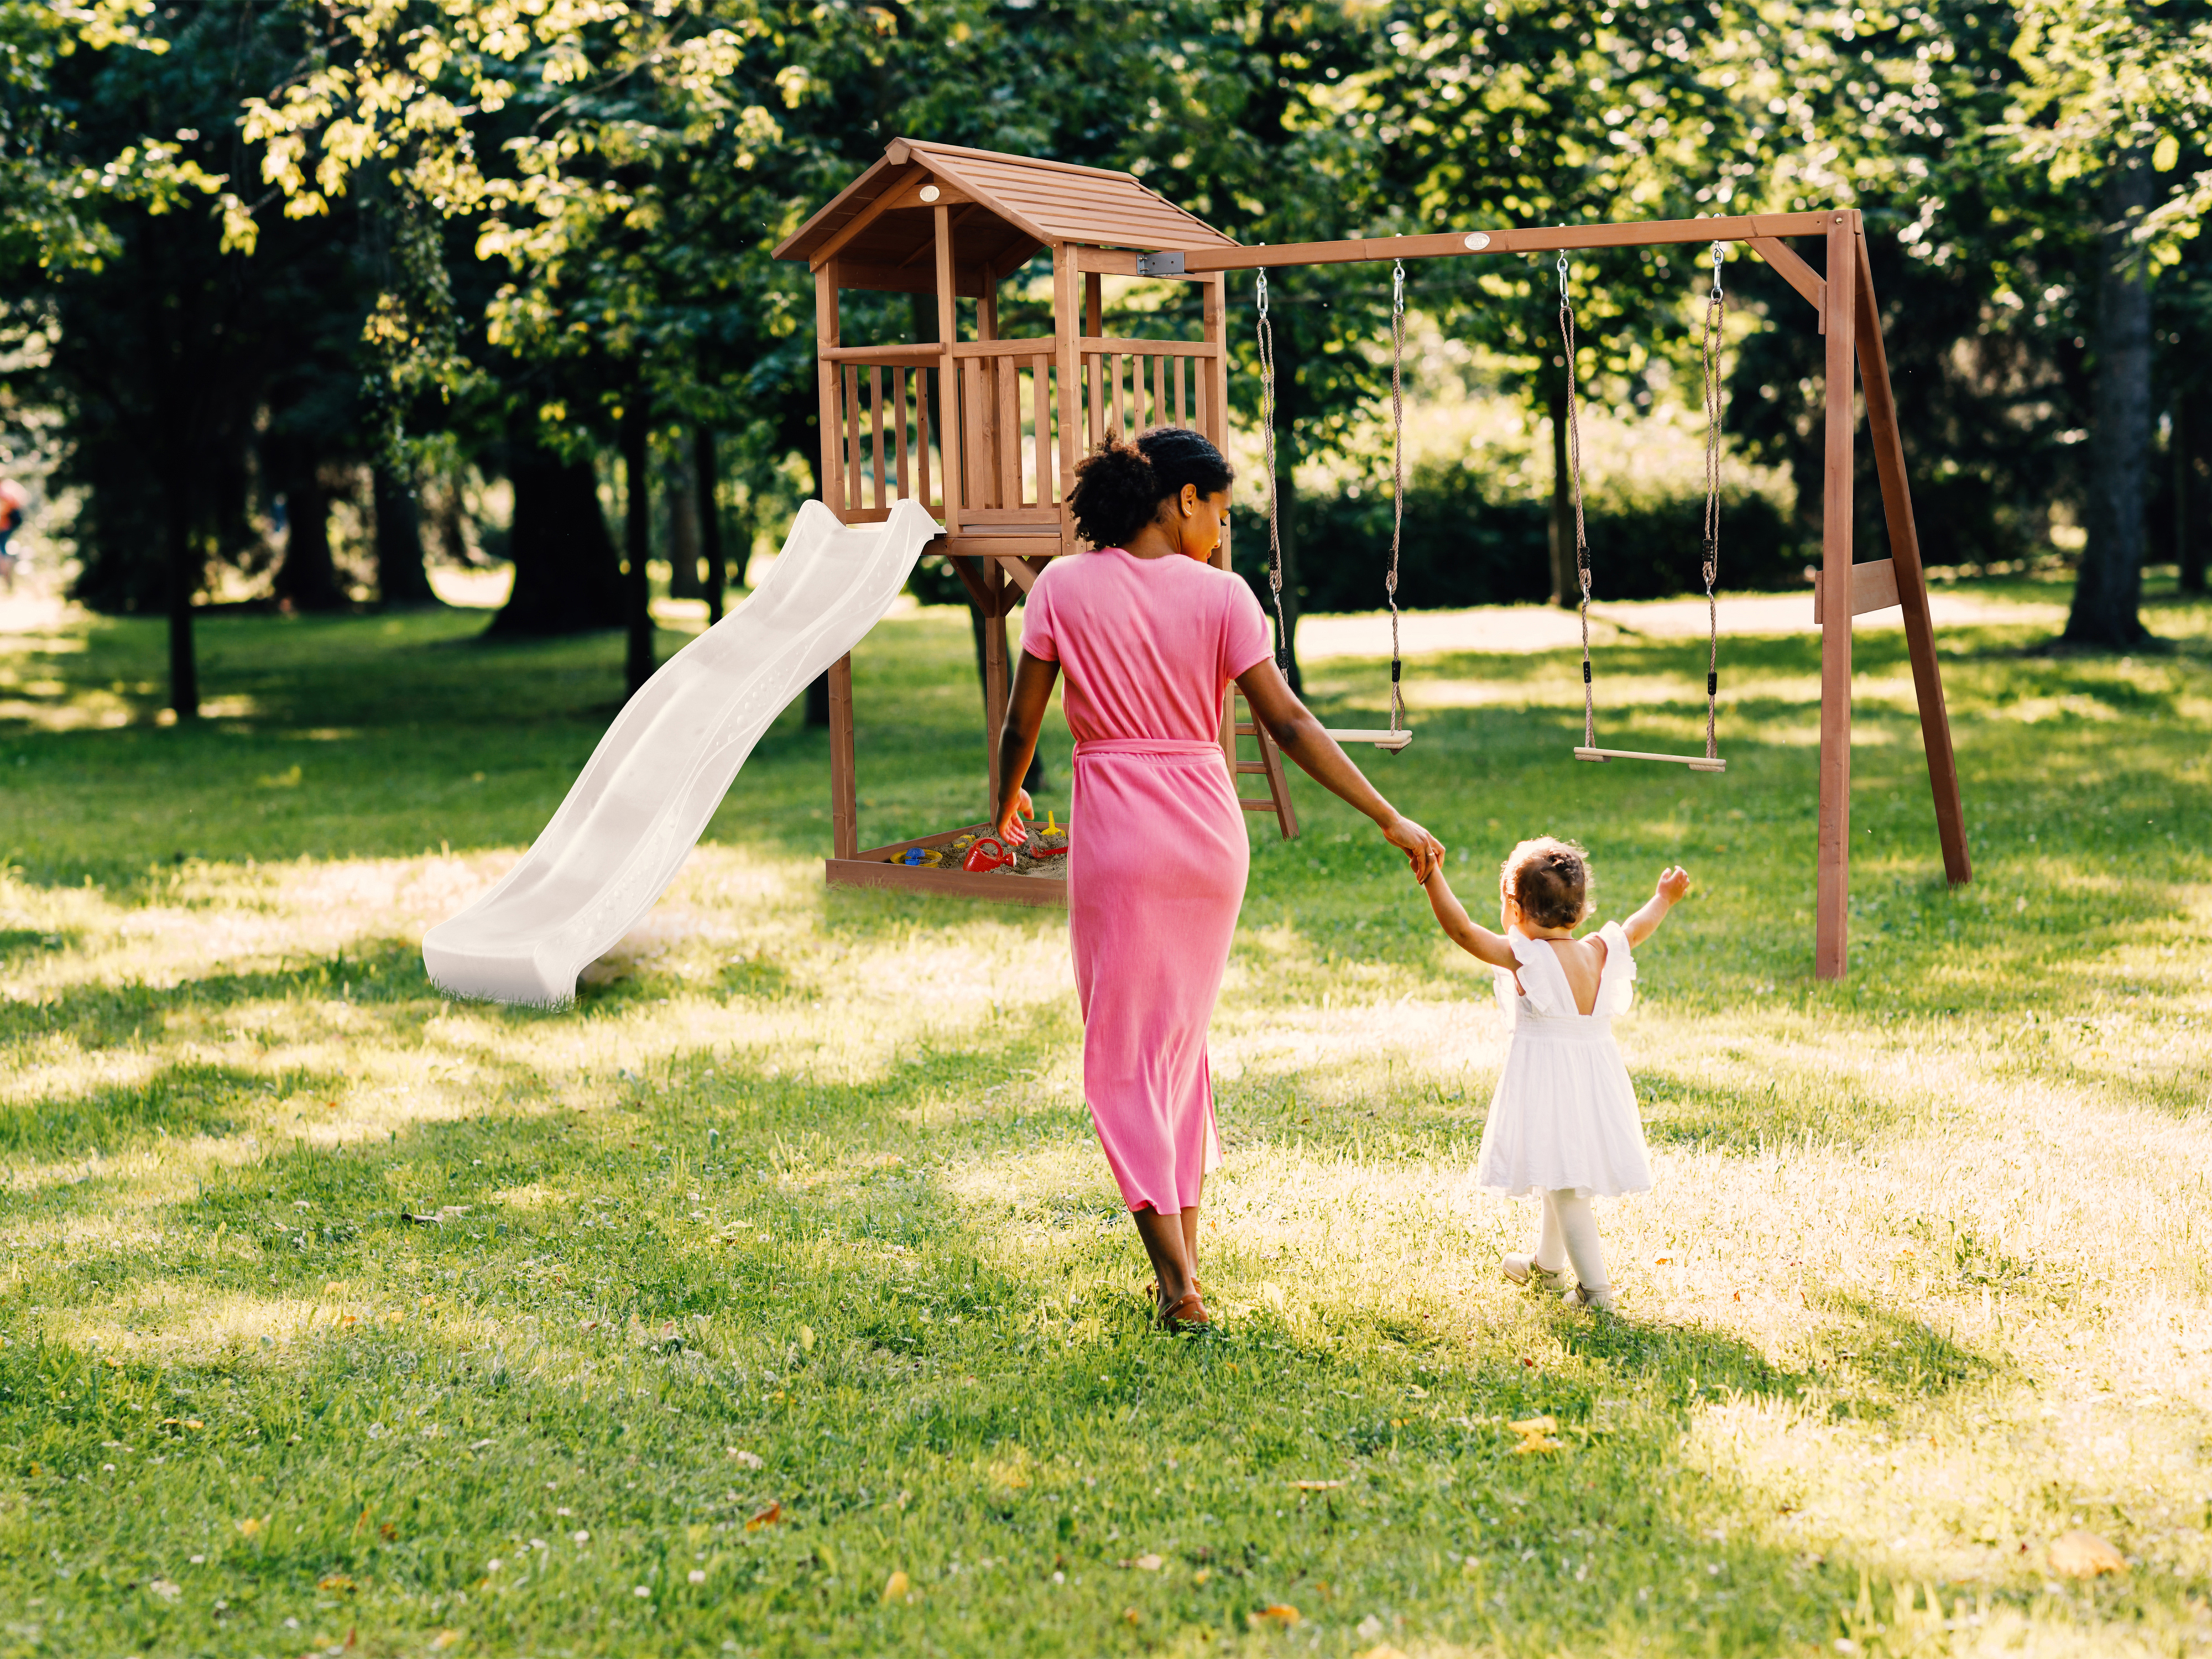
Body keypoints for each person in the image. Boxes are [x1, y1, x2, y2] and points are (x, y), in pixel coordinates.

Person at [993, 427, 1443, 1332]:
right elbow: (1289, 725)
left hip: (1119, 837)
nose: (1224, 532)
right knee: (1176, 1052)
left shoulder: (1061, 588)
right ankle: (1186, 1267)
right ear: (1183, 499)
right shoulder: (1225, 598)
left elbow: (1021, 725)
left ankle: (1177, 1286)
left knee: (1123, 1058)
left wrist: (1002, 809)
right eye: (1222, 511)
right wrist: (1386, 814)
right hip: (1207, 837)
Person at [1418, 837, 1690, 1311]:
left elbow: (1462, 931)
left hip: (1551, 1084)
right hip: (1594, 1082)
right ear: (1581, 911)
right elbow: (1636, 927)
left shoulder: (1527, 958)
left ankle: (1595, 1292)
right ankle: (1547, 1267)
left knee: (1565, 1188)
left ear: (1515, 908)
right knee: (1556, 1170)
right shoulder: (1599, 950)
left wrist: (1431, 875)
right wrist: (1663, 898)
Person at [0, 478, 27, 595]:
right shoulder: (8, 486)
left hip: (7, 524)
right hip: (10, 523)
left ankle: (6, 575)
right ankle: (7, 577)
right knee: (3, 549)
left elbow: (5, 509)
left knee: (2, 550)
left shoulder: (4, 491)